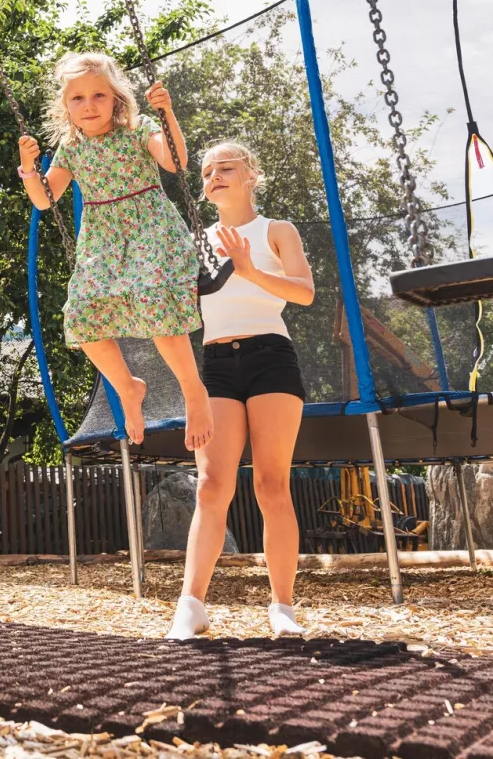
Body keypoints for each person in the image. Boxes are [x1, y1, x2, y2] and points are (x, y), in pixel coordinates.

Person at [16, 52, 213, 452]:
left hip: (150, 230)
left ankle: (194, 392)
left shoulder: (138, 129)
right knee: (82, 315)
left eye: (98, 96)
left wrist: (167, 114)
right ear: (65, 106)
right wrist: (28, 167)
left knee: (155, 304)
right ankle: (128, 387)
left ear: (116, 99)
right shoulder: (70, 150)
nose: (89, 105)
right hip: (104, 242)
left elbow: (175, 162)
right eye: (78, 98)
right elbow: (44, 199)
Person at [165, 140, 315, 641]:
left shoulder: (277, 230)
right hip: (216, 365)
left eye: (225, 168)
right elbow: (178, 313)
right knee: (212, 485)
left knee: (271, 484)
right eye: (207, 172)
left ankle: (283, 606)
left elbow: (305, 292)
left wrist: (250, 270)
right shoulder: (195, 241)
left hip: (271, 356)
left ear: (251, 174)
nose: (214, 177)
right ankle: (192, 604)